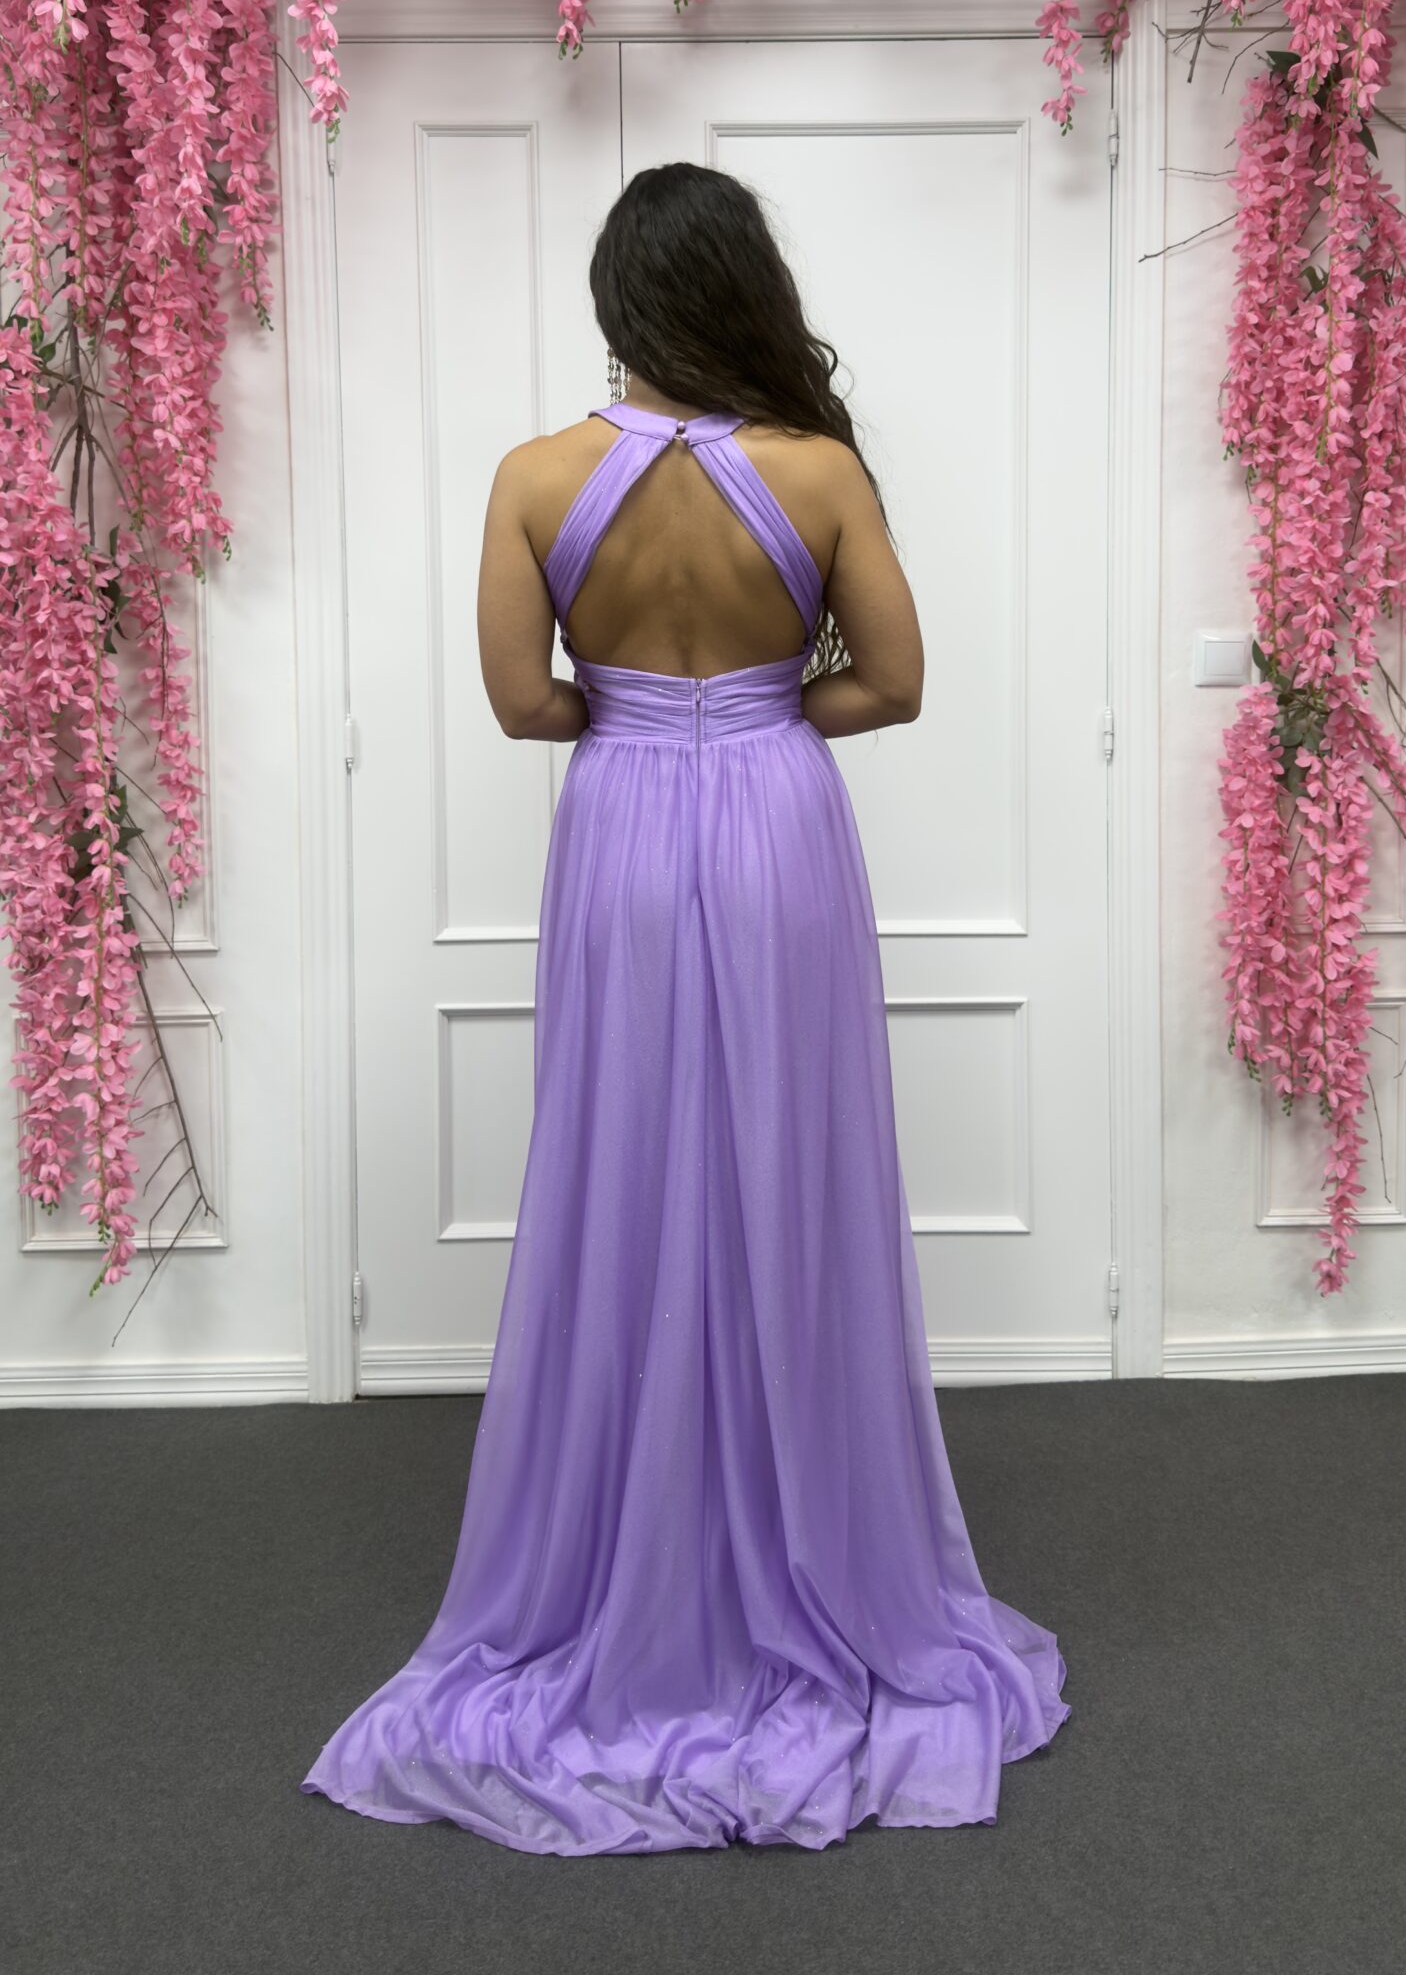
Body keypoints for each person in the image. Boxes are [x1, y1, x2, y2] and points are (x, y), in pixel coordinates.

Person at [301, 161, 1070, 1853]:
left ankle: (629, 1557)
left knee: (624, 1168)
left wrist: (643, 721)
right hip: (782, 831)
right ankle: (806, 1545)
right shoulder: (819, 471)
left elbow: (521, 706)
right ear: (744, 292)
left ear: (617, 303)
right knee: (788, 1172)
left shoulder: (534, 476)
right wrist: (762, 717)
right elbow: (897, 683)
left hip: (623, 834)